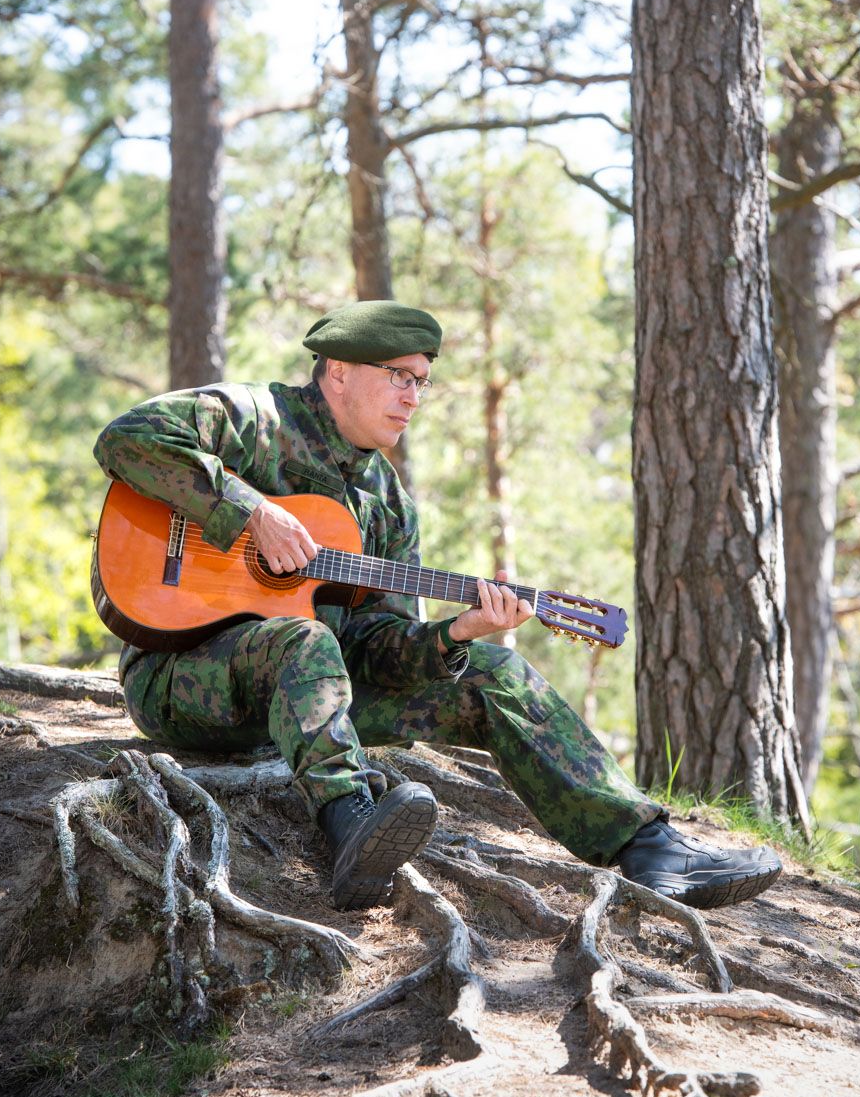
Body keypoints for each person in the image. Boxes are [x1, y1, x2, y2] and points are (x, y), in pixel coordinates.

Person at [94, 300, 782, 912]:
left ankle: (648, 847)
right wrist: (249, 514)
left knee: (493, 672)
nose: (413, 396)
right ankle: (349, 826)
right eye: (399, 376)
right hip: (183, 678)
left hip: (309, 699)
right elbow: (125, 438)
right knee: (300, 640)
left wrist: (457, 632)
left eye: (421, 381)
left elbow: (377, 648)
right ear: (338, 370)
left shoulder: (386, 503)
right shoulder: (251, 419)